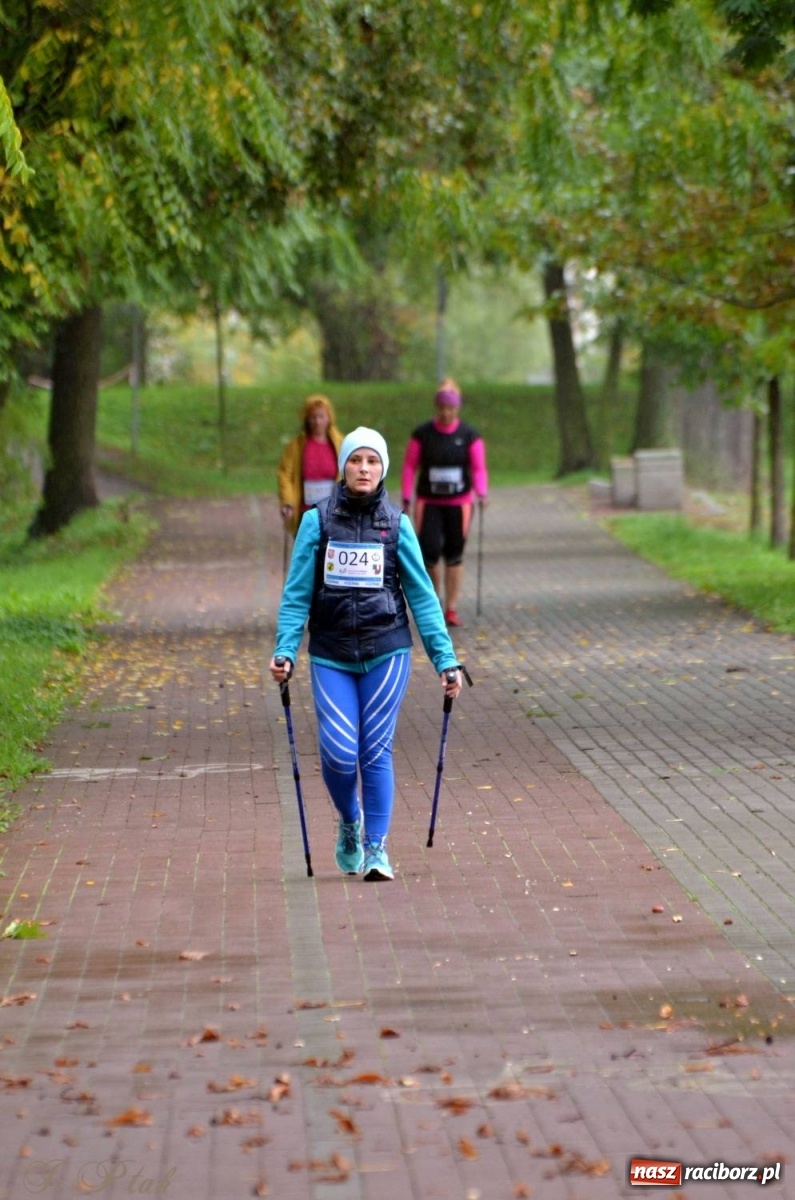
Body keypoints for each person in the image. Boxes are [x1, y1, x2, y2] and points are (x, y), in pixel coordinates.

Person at [269, 427, 463, 882]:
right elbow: (297, 594)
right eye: (355, 460)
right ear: (343, 466)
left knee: (374, 750)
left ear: (383, 469)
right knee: (338, 753)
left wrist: (445, 659)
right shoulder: (316, 521)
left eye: (372, 461)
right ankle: (350, 821)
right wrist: (285, 651)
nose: (363, 469)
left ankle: (377, 849)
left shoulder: (397, 525)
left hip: (387, 650)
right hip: (331, 652)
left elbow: (422, 597)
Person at [400, 378, 488, 627]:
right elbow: (409, 466)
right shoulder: (422, 434)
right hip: (428, 503)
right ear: (436, 408)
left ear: (457, 408)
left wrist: (482, 492)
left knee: (454, 554)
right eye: (442, 408)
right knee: (428, 553)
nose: (446, 412)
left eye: (450, 408)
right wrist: (406, 495)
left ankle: (451, 607)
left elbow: (479, 468)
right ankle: (434, 603)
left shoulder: (469, 436)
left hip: (459, 504)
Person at [277, 394, 345, 537]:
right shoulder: (296, 446)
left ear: (329, 418)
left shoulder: (341, 443)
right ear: (306, 419)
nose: (317, 421)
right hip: (305, 512)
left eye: (321, 416)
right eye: (313, 417)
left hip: (333, 513)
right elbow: (285, 474)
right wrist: (288, 501)